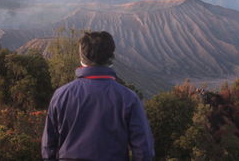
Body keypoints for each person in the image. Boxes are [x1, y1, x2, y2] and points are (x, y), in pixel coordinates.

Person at [41, 31, 155, 161]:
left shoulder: (61, 95)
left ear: (81, 56)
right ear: (111, 57)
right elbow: (143, 148)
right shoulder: (128, 98)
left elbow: (48, 146)